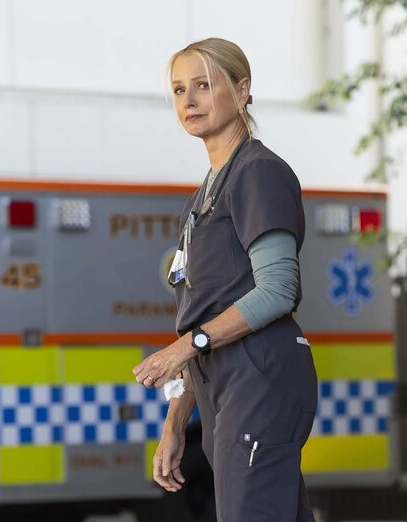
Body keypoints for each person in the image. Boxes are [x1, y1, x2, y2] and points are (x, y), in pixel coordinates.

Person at [131, 37, 318, 522]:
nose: (188, 100)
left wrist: (183, 348)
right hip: (223, 387)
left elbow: (278, 289)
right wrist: (176, 421)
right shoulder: (200, 201)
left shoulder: (258, 173)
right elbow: (202, 314)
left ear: (242, 90)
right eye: (178, 90)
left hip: (258, 379)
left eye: (203, 85)